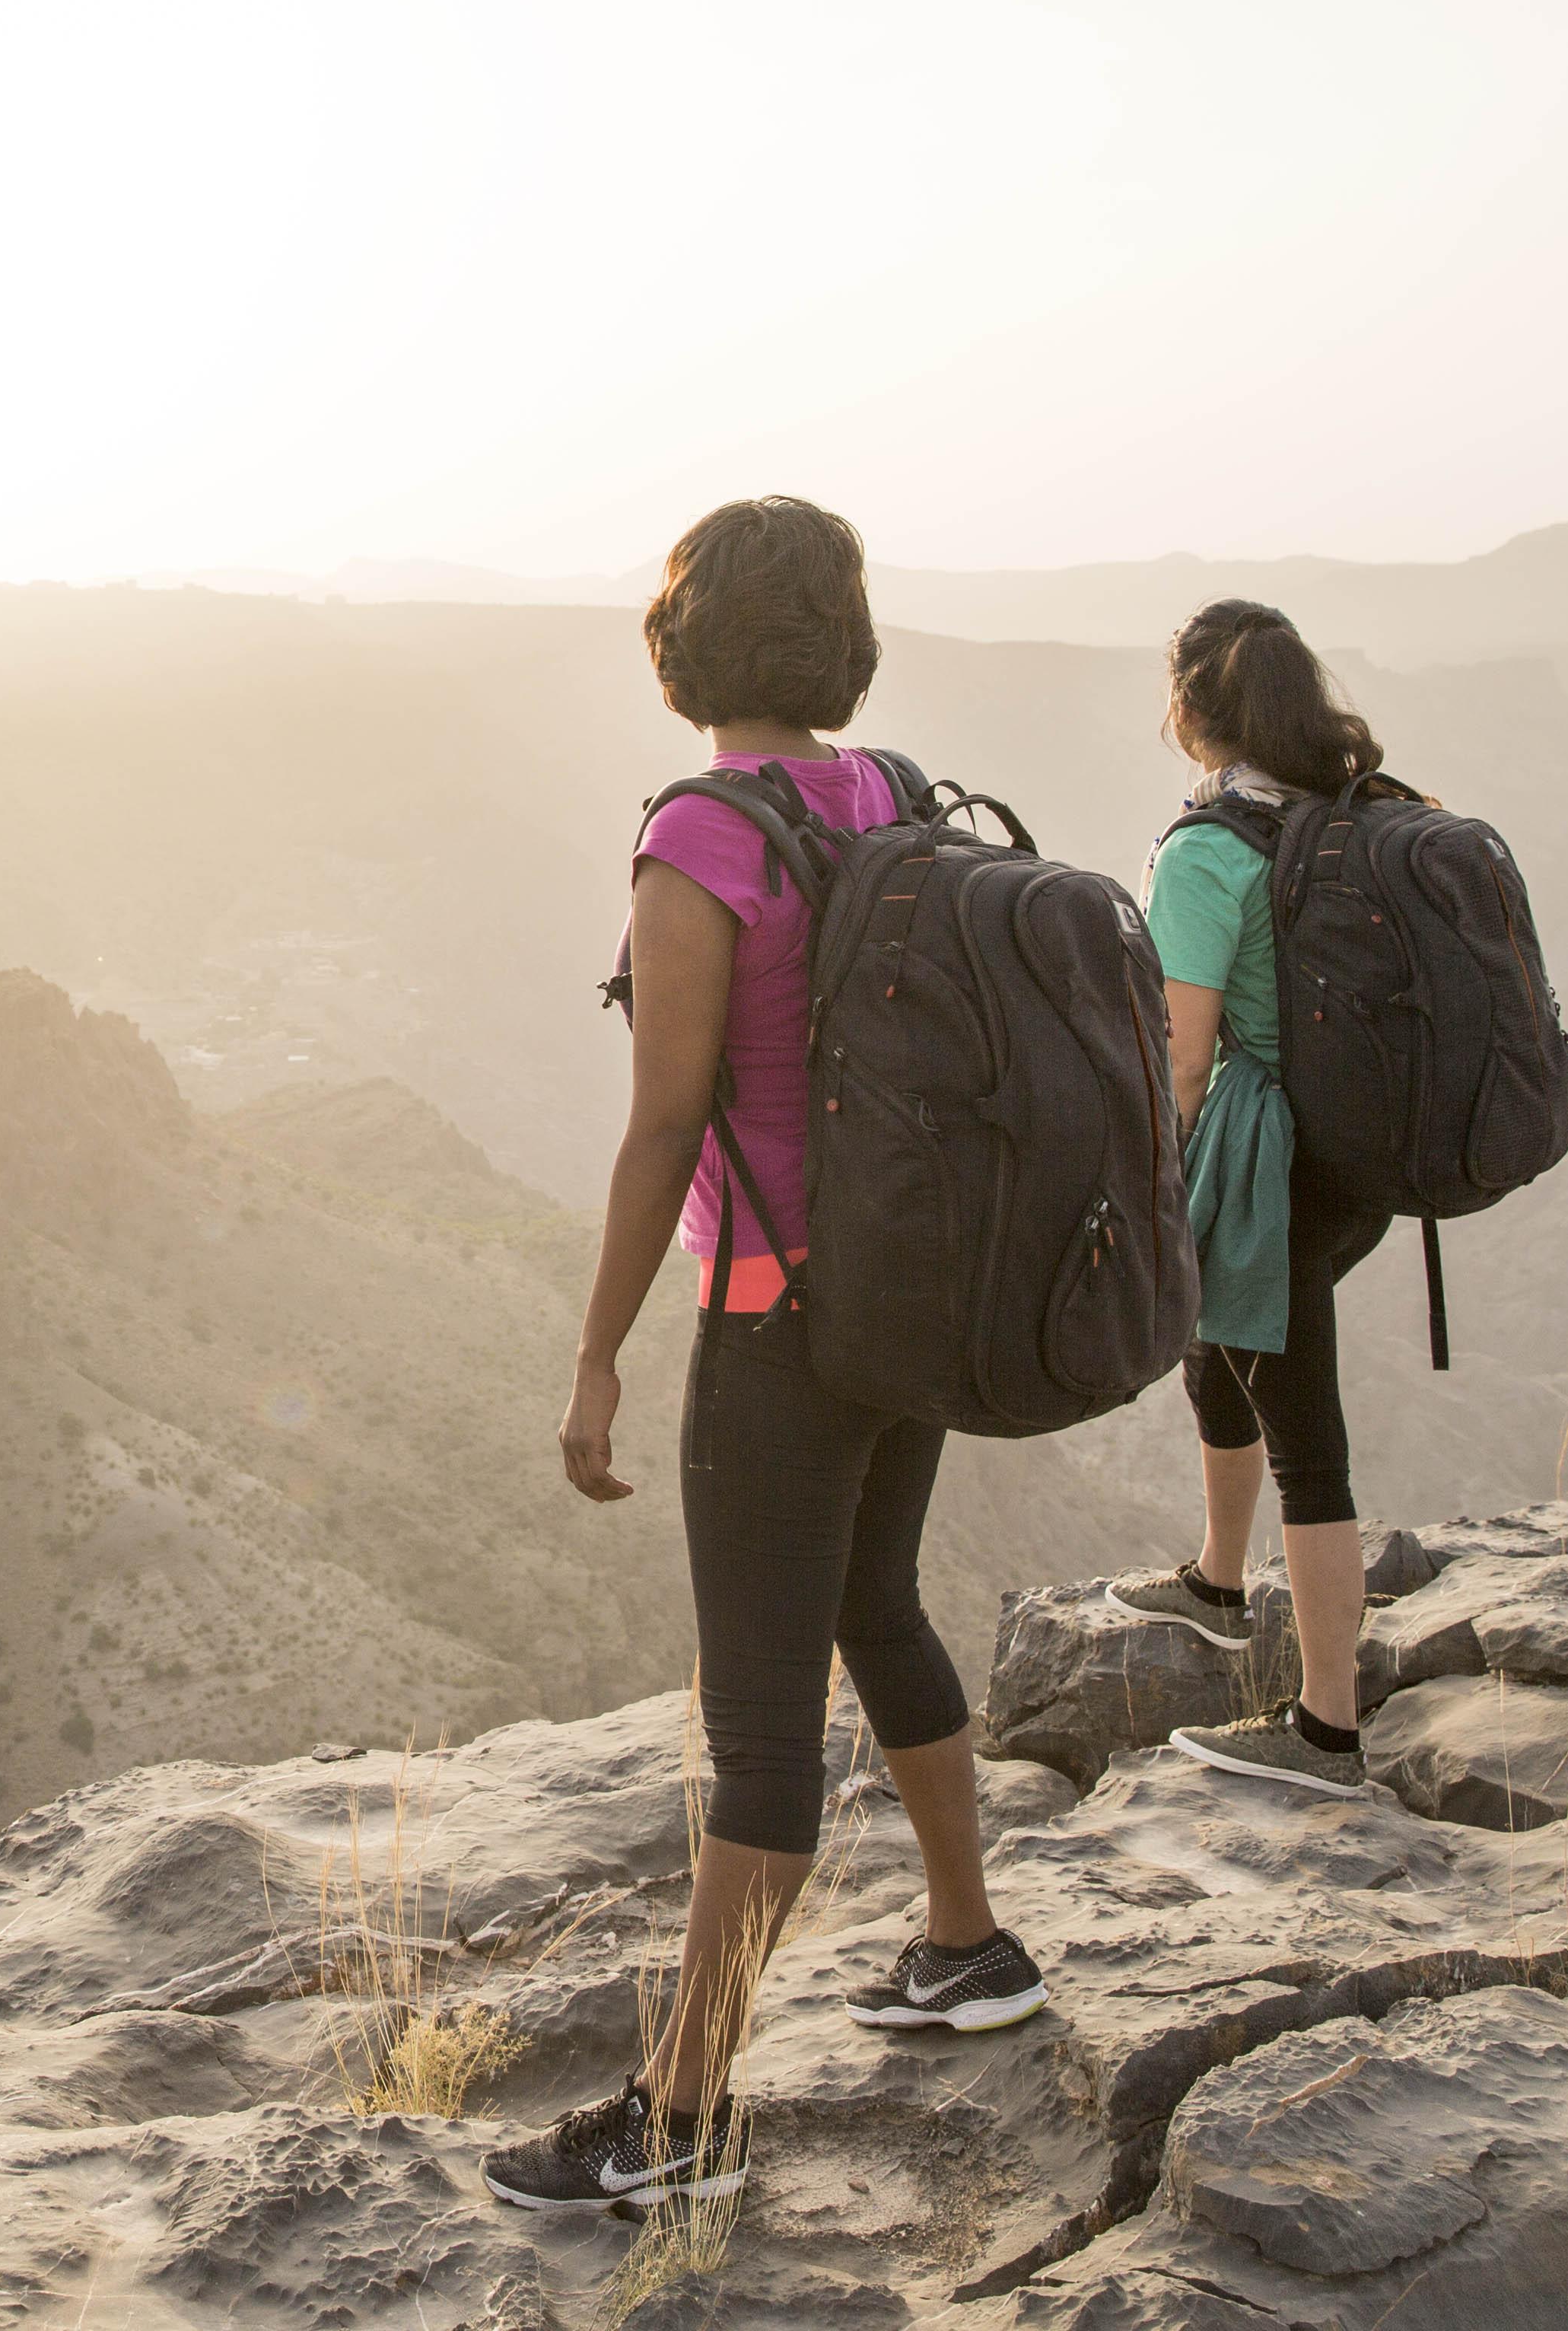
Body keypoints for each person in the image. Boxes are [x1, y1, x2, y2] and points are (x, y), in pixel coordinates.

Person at [485, 496, 1047, 2219]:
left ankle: (685, 2112)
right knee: (881, 1609)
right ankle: (966, 1942)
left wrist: (595, 1355)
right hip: (908, 1305)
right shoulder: (893, 797)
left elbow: (665, 1128)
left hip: (773, 1322)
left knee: (757, 1726)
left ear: (687, 637)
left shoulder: (701, 839)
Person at [1105, 600, 1398, 1796]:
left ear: (1191, 712)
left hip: (1271, 1159)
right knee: (1213, 1342)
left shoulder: (1206, 852)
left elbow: (1182, 1057)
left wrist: (1144, 1182)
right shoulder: (1352, 811)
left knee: (1304, 1439)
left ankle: (1329, 1731)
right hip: (1357, 1153)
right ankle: (1221, 1582)